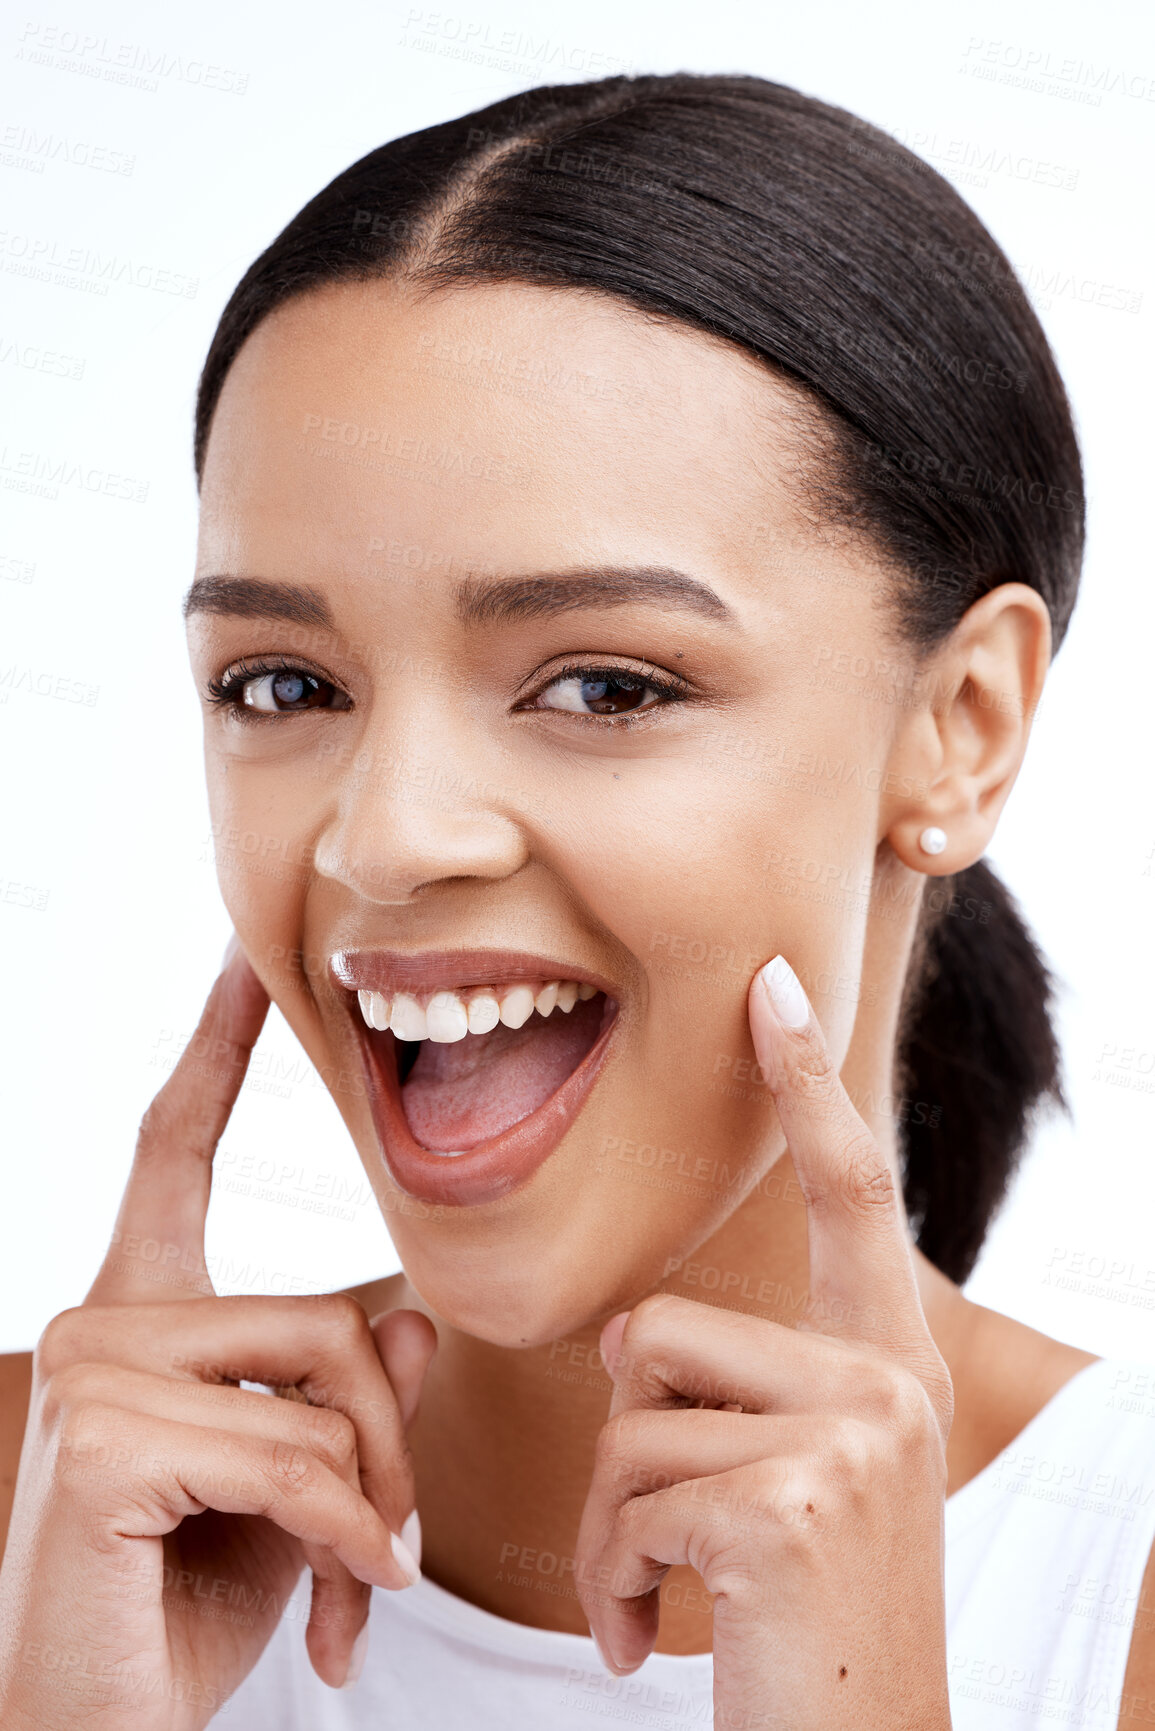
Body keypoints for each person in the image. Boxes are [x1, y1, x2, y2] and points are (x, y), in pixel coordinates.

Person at [1, 71, 1152, 1730]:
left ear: (959, 731)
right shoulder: (53, 1525)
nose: (382, 840)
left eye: (605, 687)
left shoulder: (1124, 1591)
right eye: (277, 684)